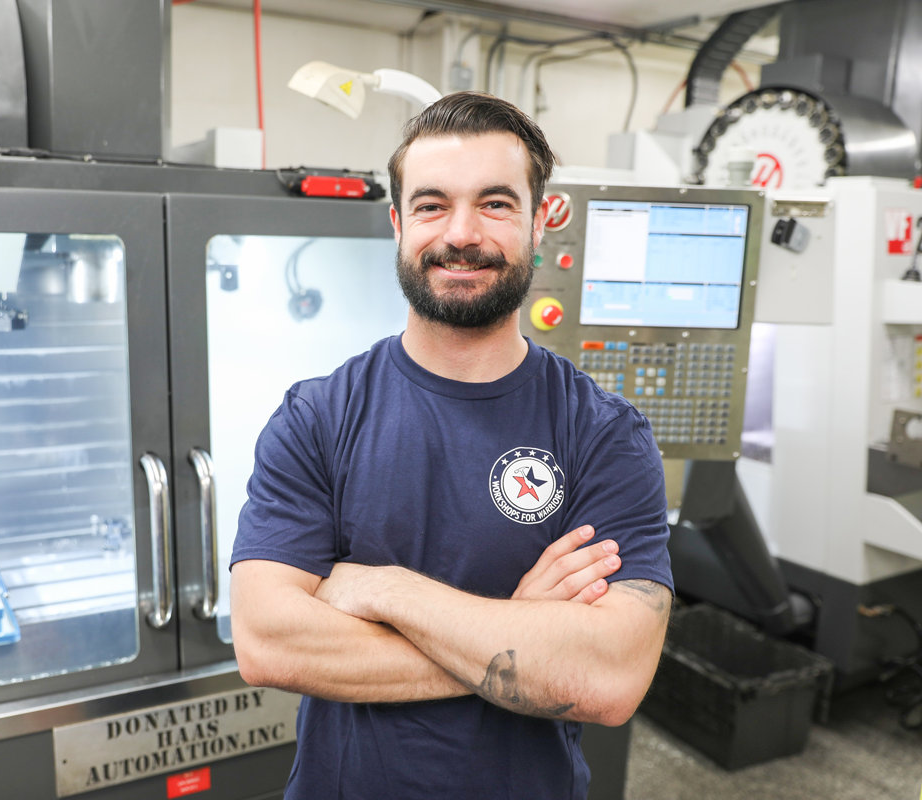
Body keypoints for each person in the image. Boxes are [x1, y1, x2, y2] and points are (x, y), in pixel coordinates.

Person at [230, 91, 673, 800]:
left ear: (539, 225)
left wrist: (382, 588)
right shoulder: (317, 416)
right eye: (433, 205)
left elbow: (610, 677)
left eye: (495, 204)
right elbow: (266, 642)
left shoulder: (605, 435)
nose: (461, 233)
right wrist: (527, 634)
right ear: (400, 223)